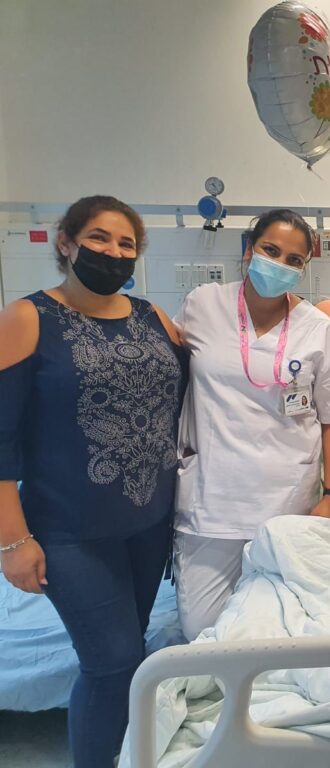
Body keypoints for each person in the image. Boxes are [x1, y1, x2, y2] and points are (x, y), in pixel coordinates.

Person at [0, 196, 187, 768]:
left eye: (126, 244)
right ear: (66, 243)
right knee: (111, 664)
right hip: (68, 531)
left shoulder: (154, 318)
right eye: (100, 238)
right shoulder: (27, 318)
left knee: (131, 658)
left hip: (150, 526)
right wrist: (13, 540)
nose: (113, 252)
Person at [173, 209, 330, 640]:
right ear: (248, 250)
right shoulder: (203, 305)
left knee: (279, 631)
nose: (279, 264)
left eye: (294, 260)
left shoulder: (319, 330)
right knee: (203, 632)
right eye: (270, 251)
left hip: (287, 503)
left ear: (303, 269)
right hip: (212, 504)